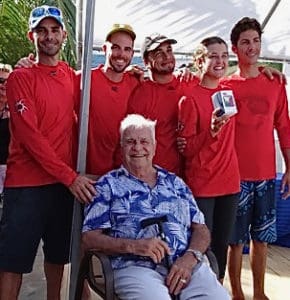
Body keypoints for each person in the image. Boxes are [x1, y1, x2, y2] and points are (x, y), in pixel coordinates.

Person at [0, 6, 96, 300]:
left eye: (54, 30)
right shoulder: (20, 78)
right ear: (32, 35)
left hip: (61, 186)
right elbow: (30, 137)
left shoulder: (69, 75)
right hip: (27, 186)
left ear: (64, 35)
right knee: (12, 261)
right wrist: (70, 177)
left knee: (58, 258)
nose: (49, 36)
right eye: (42, 30)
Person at [82, 113, 230, 300]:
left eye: (144, 141)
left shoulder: (175, 183)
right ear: (122, 147)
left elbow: (200, 228)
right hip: (135, 268)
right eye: (130, 142)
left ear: (154, 147)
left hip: (184, 266)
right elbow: (89, 238)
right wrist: (133, 246)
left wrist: (190, 258)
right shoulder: (107, 186)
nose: (137, 148)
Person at [222, 17, 290, 300]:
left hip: (265, 175)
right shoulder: (224, 85)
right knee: (234, 242)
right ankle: (237, 292)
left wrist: (289, 167)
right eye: (245, 42)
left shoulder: (275, 83)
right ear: (235, 48)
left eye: (256, 41)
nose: (252, 47)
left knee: (262, 240)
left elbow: (284, 126)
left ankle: (260, 293)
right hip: (233, 176)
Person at [178, 36, 240, 284]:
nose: (220, 61)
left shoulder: (228, 92)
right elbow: (187, 150)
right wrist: (211, 131)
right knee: (202, 248)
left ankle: (217, 290)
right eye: (213, 56)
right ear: (199, 61)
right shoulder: (189, 98)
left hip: (230, 183)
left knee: (221, 248)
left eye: (224, 56)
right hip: (202, 184)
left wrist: (270, 71)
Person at [74, 23, 141, 179]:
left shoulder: (136, 83)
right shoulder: (83, 79)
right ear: (104, 49)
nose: (121, 54)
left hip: (121, 176)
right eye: (116, 47)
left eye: (127, 49)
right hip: (85, 176)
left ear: (132, 54)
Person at [127, 33, 199, 176]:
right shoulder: (140, 93)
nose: (167, 57)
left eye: (169, 50)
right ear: (147, 62)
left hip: (189, 178)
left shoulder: (190, 82)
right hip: (153, 177)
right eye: (159, 53)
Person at [0, 63, 12, 205]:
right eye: (0, 81)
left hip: (9, 171)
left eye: (8, 81)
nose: (3, 85)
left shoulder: (16, 109)